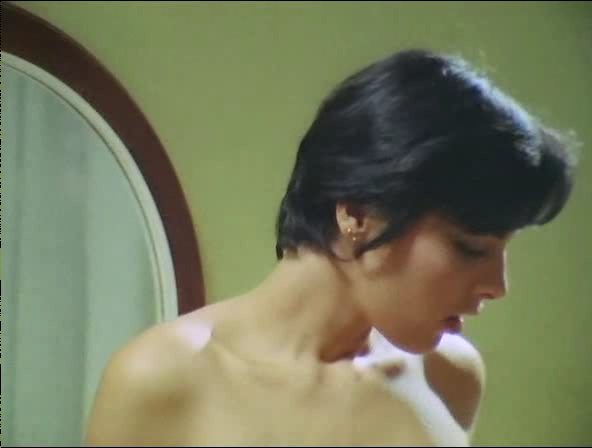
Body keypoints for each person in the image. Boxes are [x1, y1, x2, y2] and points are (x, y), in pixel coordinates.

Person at [84, 49, 576, 446]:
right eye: (469, 249)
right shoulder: (161, 381)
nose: (498, 285)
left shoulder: (450, 374)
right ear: (357, 214)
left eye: (504, 249)